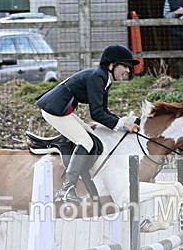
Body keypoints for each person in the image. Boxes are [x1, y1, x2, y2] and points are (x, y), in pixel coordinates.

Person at [36, 44, 141, 204]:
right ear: (111, 65)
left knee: (89, 134)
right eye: (125, 66)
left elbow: (103, 110)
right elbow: (97, 114)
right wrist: (122, 124)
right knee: (86, 141)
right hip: (55, 109)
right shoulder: (97, 77)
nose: (128, 70)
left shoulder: (104, 79)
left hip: (63, 109)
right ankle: (66, 189)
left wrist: (122, 122)